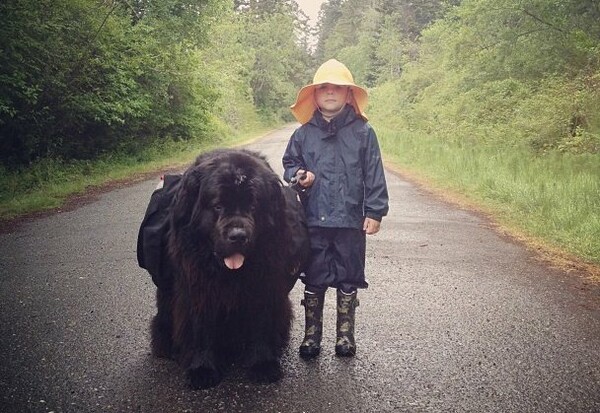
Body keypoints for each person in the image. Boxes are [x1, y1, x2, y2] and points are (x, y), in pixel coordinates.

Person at [282, 59, 389, 358]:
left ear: (348, 95)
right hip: (313, 219)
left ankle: (345, 337)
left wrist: (375, 211)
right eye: (324, 88)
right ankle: (311, 337)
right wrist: (299, 177)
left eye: (338, 88)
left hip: (351, 221)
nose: (330, 93)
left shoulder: (364, 132)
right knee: (314, 276)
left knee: (348, 275)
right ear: (314, 96)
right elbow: (290, 165)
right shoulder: (303, 134)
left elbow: (374, 174)